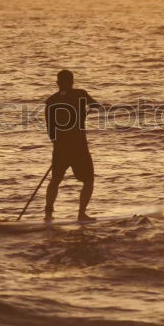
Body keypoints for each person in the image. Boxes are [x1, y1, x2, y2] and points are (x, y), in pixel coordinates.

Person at [44, 69, 100, 222]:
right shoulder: (80, 94)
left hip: (60, 148)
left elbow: (50, 129)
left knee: (55, 179)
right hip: (79, 148)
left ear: (58, 83)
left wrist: (58, 144)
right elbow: (97, 105)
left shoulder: (51, 101)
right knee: (88, 180)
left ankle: (48, 214)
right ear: (72, 82)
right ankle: (81, 213)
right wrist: (92, 107)